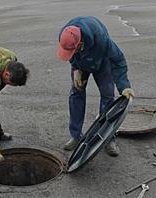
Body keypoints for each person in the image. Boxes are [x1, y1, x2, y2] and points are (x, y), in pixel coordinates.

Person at [57, 16, 135, 156]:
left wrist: (124, 86)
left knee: (107, 97)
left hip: (102, 62)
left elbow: (118, 60)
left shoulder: (101, 39)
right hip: (81, 63)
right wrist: (76, 69)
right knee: (76, 94)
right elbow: (70, 55)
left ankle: (108, 138)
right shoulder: (65, 35)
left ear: (80, 43)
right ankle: (76, 136)